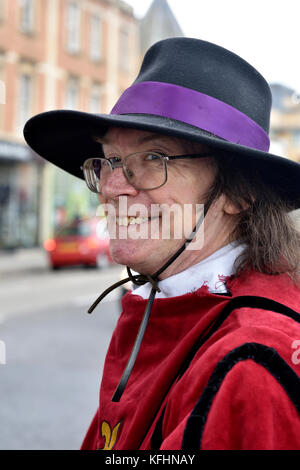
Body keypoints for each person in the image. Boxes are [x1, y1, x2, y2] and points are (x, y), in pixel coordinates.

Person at [24, 38, 300, 450]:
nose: (112, 188)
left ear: (240, 194)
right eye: (109, 160)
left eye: (155, 158)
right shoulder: (171, 305)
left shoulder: (253, 363)